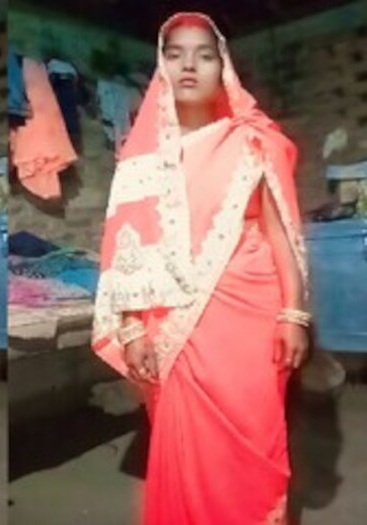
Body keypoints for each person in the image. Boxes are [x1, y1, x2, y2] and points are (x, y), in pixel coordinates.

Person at [92, 12, 309, 524]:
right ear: (161, 68)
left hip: (251, 318)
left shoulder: (253, 142)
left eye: (204, 55)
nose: (189, 65)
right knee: (187, 446)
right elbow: (128, 253)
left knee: (254, 435)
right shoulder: (140, 160)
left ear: (223, 68)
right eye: (175, 55)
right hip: (174, 327)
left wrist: (294, 314)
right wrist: (131, 329)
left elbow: (281, 233)